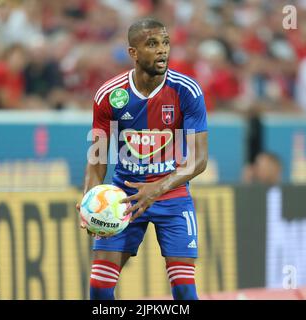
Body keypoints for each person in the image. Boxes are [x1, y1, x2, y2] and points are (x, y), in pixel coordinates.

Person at [77, 18, 208, 300]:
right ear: (133, 53)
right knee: (99, 289)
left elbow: (199, 160)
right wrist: (89, 199)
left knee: (185, 291)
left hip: (171, 196)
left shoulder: (187, 91)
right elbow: (98, 156)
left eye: (165, 43)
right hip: (124, 199)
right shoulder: (109, 95)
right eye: (152, 44)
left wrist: (157, 188)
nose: (162, 50)